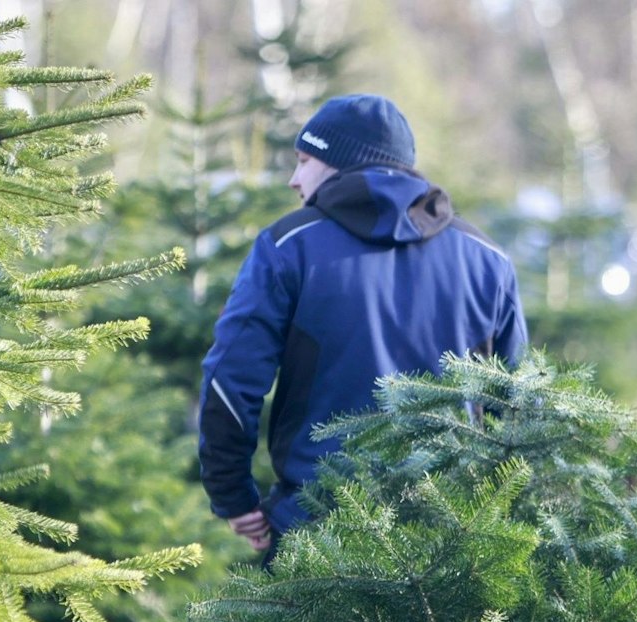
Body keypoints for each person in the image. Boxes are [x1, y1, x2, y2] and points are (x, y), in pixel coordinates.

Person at [197, 94, 527, 556]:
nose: (294, 179)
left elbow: (231, 381)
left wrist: (232, 496)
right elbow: (517, 406)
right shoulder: (488, 259)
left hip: (314, 536)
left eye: (304, 160)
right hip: (452, 543)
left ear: (339, 164)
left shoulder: (287, 246)